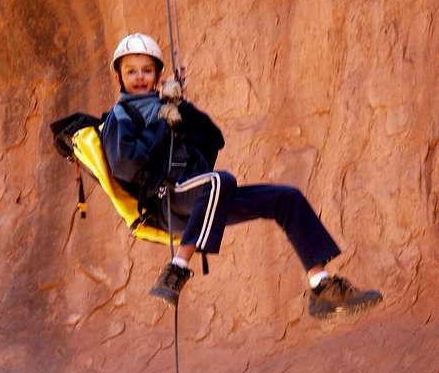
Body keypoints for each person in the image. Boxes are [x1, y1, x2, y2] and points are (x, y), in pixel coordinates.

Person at [101, 33, 383, 318]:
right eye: (131, 71)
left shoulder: (168, 105)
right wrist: (161, 126)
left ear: (159, 75)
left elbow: (213, 140)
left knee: (287, 199)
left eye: (147, 70)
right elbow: (126, 165)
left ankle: (322, 286)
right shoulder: (120, 116)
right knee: (220, 180)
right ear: (118, 79)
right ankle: (177, 269)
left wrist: (181, 107)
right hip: (167, 200)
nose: (139, 77)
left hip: (202, 197)